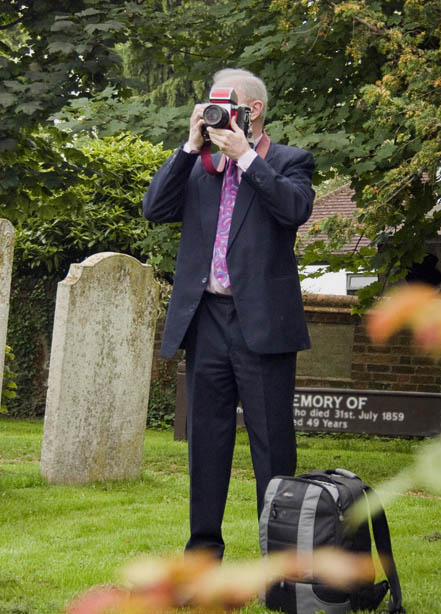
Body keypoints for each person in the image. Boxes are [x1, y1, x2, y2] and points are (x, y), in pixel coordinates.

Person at [143, 68, 315, 559]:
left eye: (225, 104)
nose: (216, 113)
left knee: (272, 446)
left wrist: (245, 157)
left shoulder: (288, 160)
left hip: (262, 323)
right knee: (206, 444)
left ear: (252, 110)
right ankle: (202, 558)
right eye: (210, 105)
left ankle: (280, 565)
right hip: (206, 321)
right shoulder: (200, 165)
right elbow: (154, 208)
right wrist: (189, 145)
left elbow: (295, 210)